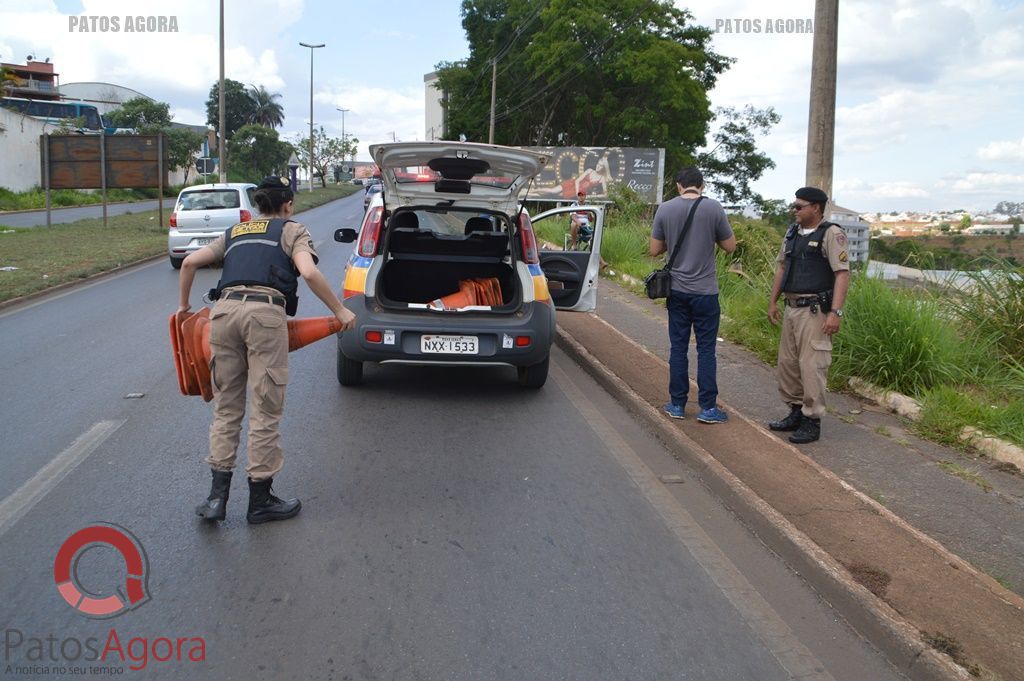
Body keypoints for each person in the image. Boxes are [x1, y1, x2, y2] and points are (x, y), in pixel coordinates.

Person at [178, 176, 356, 524]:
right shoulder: (291, 231)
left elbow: (188, 263)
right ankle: (260, 499)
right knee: (265, 407)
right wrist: (339, 310)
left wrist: (184, 307)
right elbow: (308, 271)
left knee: (227, 406)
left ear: (258, 205)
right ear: (288, 204)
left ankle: (216, 499)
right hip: (264, 315)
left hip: (223, 314)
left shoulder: (236, 232)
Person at [650, 167, 736, 423]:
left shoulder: (665, 209)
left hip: (676, 291)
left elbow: (654, 250)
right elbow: (730, 247)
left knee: (678, 347)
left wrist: (671, 240)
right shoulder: (714, 208)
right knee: (706, 350)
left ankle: (677, 405)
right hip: (706, 292)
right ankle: (708, 409)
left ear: (678, 186)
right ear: (702, 185)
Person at [766, 186, 850, 444]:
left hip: (814, 311)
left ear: (816, 208)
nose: (795, 210)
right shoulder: (792, 233)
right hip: (792, 307)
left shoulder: (831, 234)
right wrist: (773, 302)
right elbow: (782, 267)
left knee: (812, 365)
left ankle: (811, 420)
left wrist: (835, 312)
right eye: (794, 205)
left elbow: (842, 274)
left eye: (799, 206)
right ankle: (795, 411)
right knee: (788, 364)